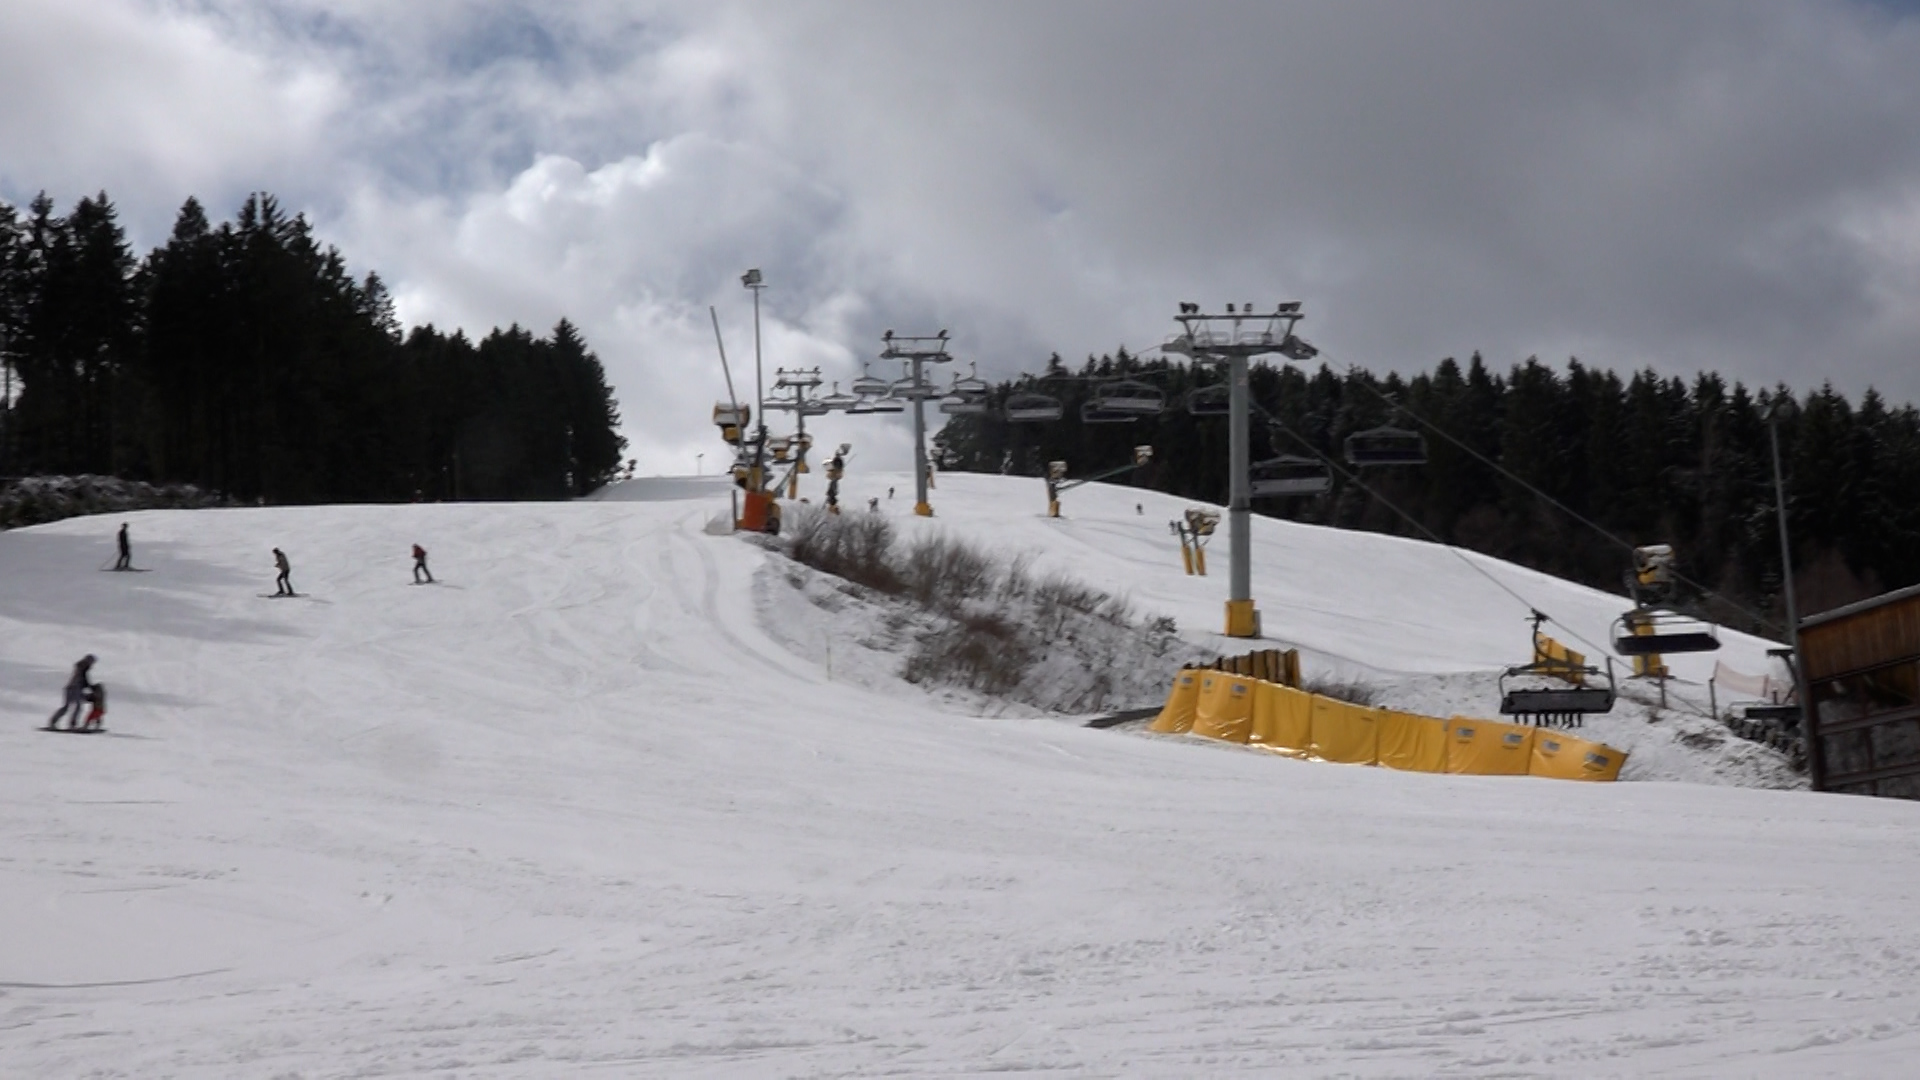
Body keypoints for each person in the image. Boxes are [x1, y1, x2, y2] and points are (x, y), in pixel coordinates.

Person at [47, 655, 96, 731]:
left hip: (71, 688)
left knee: (67, 707)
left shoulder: (81, 668)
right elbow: (83, 679)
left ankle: (53, 722)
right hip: (74, 688)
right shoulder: (82, 668)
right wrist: (91, 687)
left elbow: (83, 679)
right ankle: (72, 724)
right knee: (77, 706)